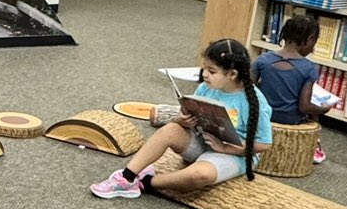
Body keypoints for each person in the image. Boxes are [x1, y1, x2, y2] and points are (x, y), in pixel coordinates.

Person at [92, 38, 271, 199]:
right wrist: (182, 120)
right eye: (204, 68)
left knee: (201, 175)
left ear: (232, 74)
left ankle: (147, 182)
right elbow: (191, 117)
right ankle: (127, 177)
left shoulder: (254, 100)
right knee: (171, 129)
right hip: (204, 141)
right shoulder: (205, 88)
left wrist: (225, 148)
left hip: (235, 154)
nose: (205, 74)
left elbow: (263, 144)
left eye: (212, 71)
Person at [254, 14, 330, 165]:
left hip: (262, 114)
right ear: (310, 39)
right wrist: (324, 109)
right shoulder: (308, 68)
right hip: (289, 119)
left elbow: (247, 89)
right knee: (315, 113)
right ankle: (314, 145)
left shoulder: (263, 59)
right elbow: (304, 106)